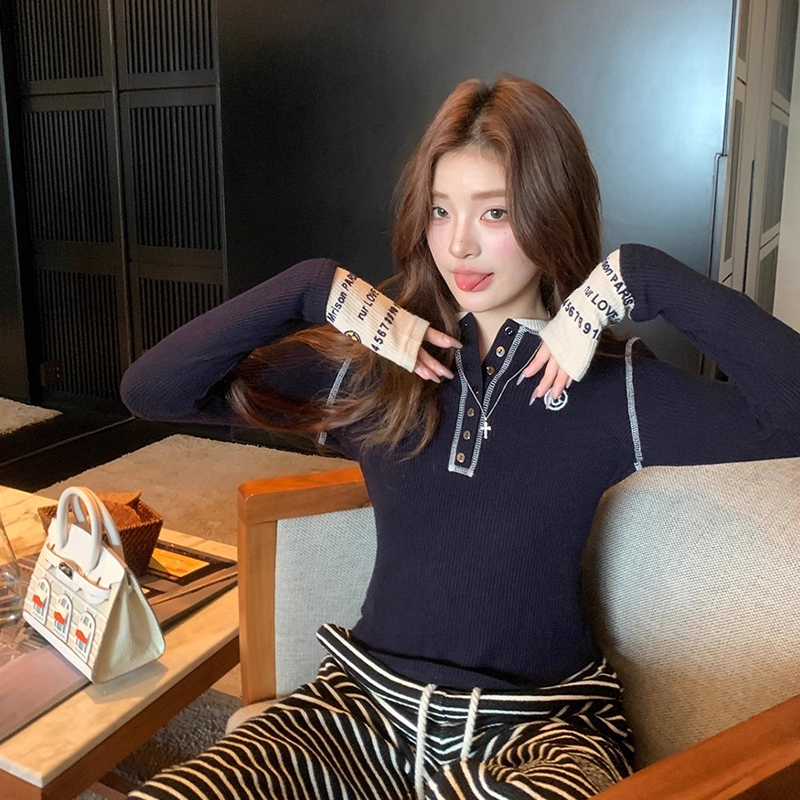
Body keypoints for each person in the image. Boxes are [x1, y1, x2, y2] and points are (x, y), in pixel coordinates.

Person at [123, 76, 800, 800]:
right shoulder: (375, 369)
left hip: (538, 729)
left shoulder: (615, 387)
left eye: (496, 212)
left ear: (553, 210)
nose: (459, 244)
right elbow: (152, 391)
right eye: (440, 210)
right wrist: (310, 288)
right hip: (360, 710)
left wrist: (640, 276)